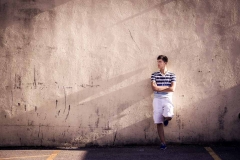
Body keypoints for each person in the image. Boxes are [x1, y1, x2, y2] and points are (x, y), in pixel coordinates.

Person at [151, 55, 176, 150]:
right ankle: (163, 143)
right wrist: (166, 88)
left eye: (160, 62)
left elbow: (172, 89)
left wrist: (159, 88)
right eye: (157, 61)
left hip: (167, 99)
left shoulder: (172, 75)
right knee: (158, 121)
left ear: (165, 63)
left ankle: (166, 119)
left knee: (169, 115)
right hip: (157, 100)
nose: (158, 63)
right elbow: (153, 88)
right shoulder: (154, 75)